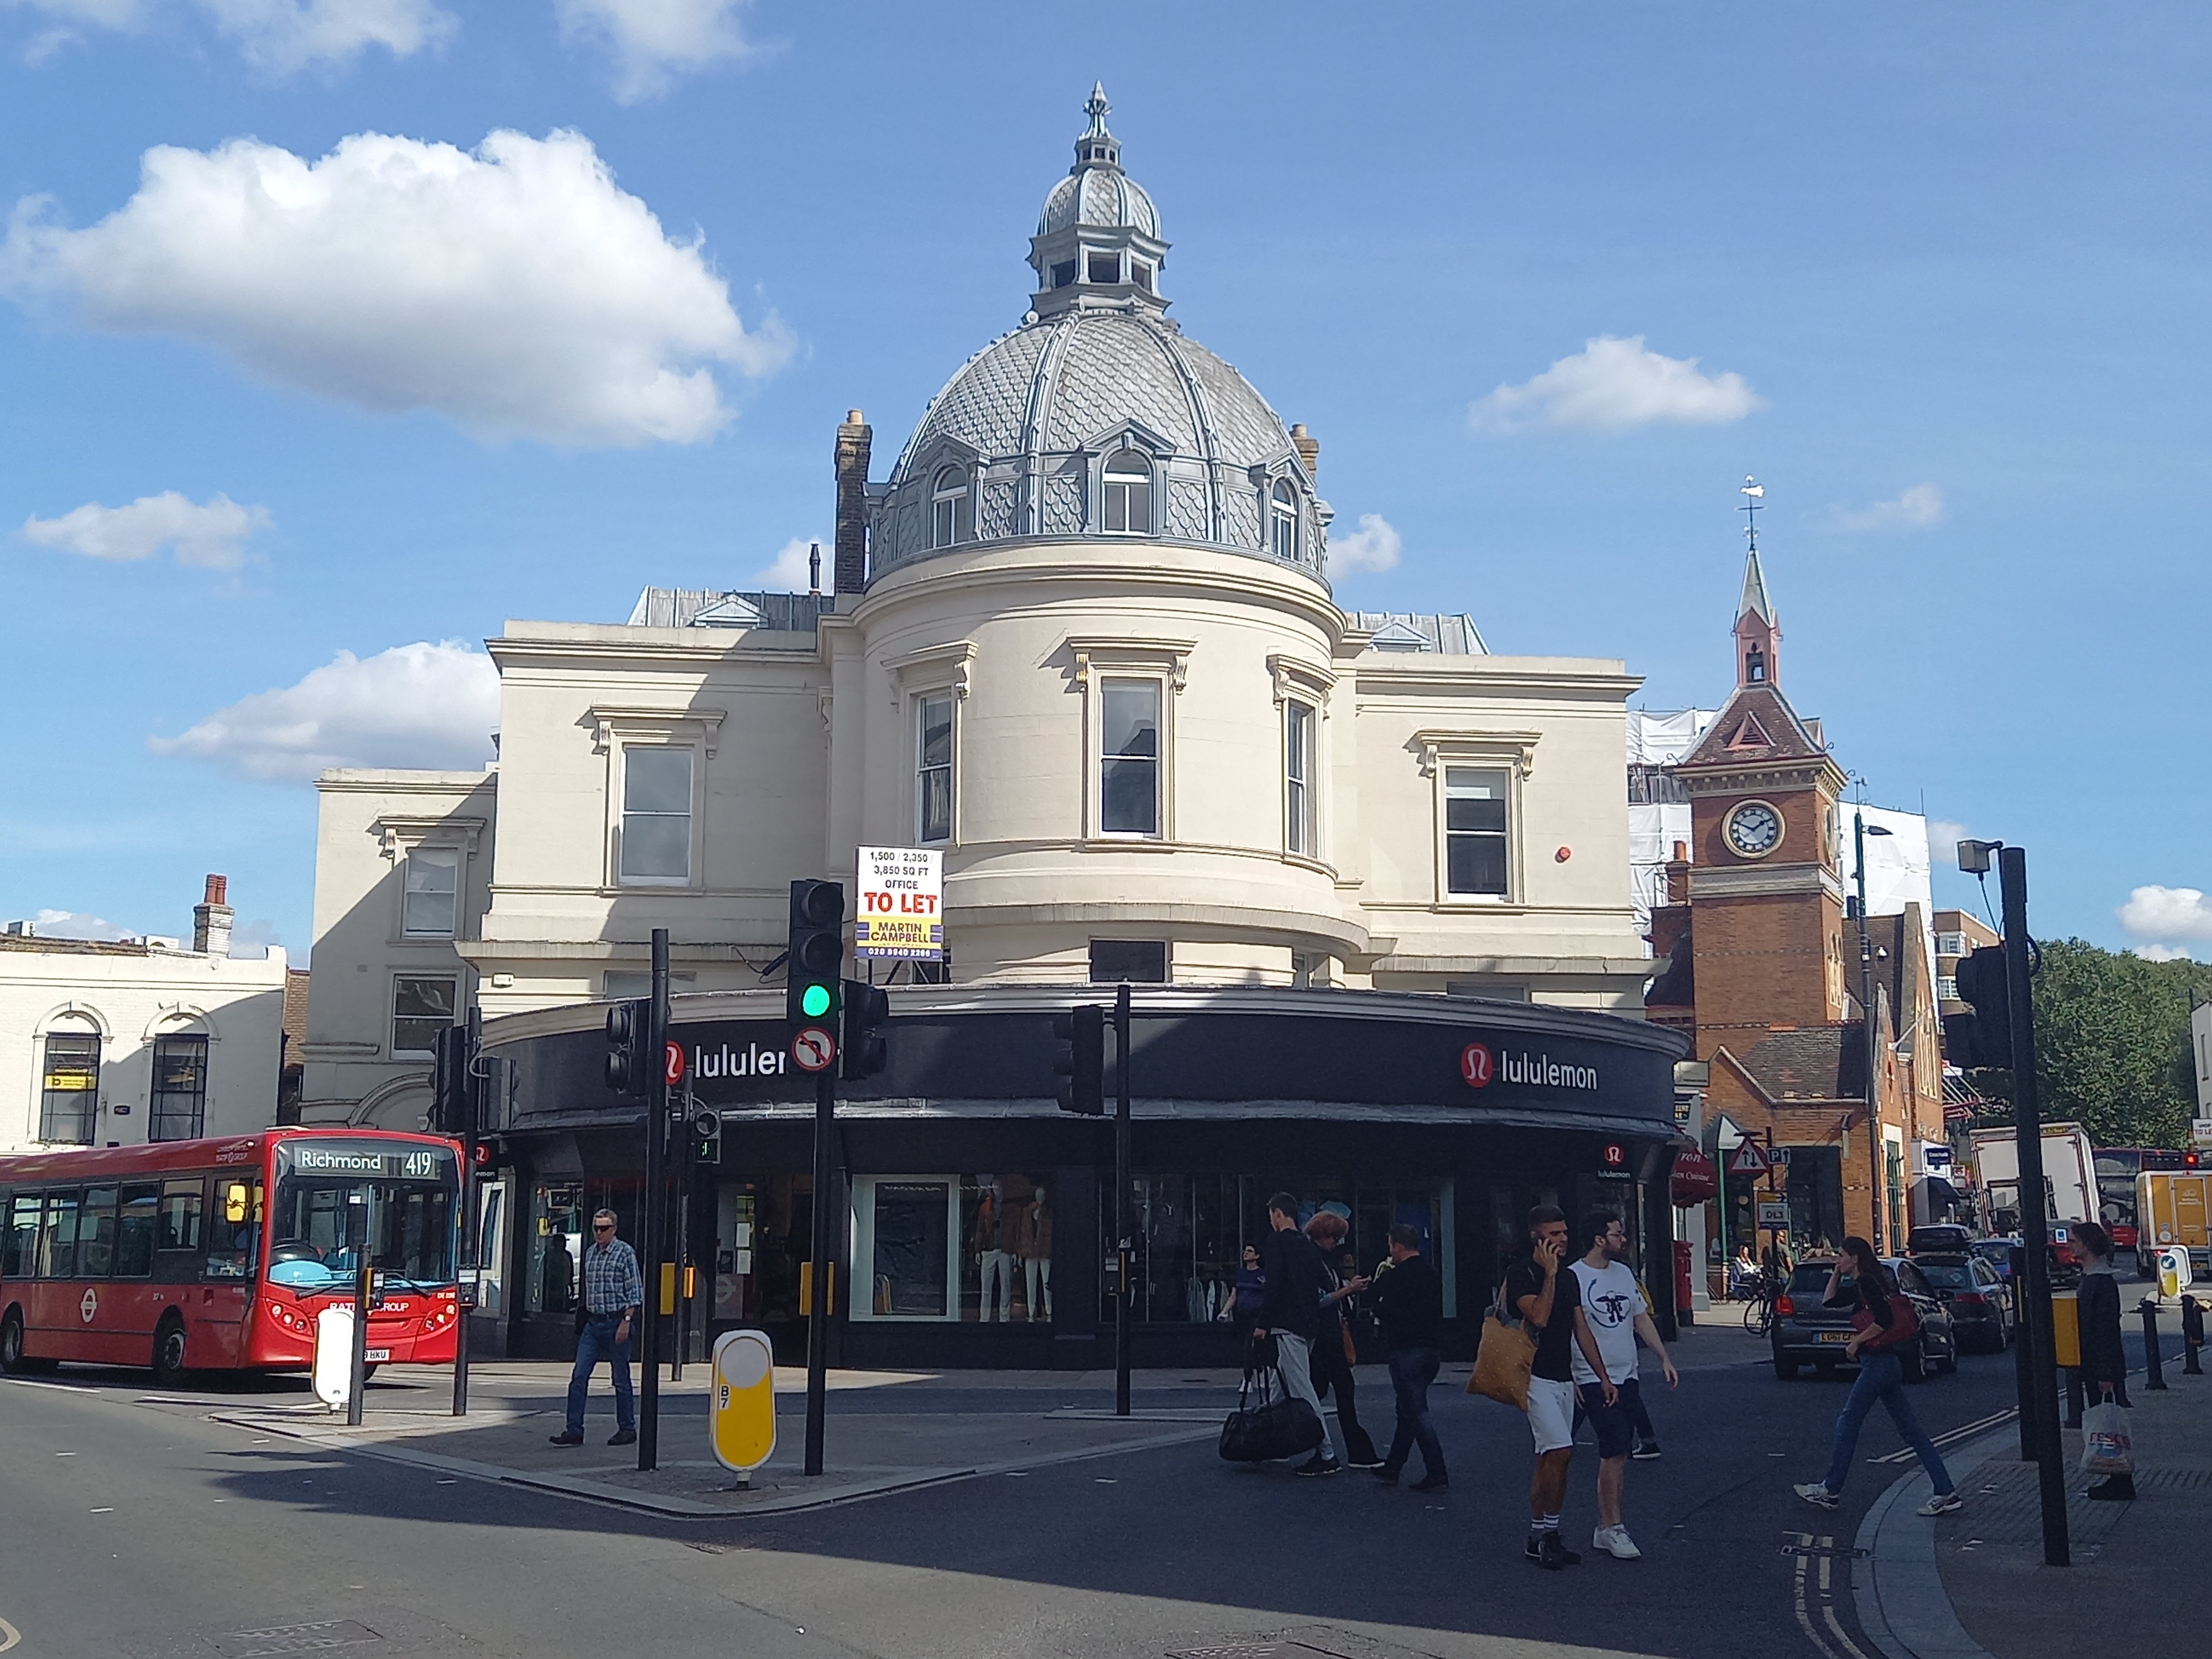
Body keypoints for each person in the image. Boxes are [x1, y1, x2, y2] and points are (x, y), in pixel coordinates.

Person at [1793, 1236, 1961, 1515]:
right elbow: (1829, 1301)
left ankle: (1831, 1490)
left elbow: (1885, 1320)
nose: (1838, 1259)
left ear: (1855, 1258)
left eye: (1842, 1255)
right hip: (1887, 1365)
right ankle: (1946, 1491)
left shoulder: (1868, 1283)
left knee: (1849, 1421)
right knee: (1911, 1432)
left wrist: (1857, 1341)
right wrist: (1836, 1271)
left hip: (1879, 1364)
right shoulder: (1863, 1284)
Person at [1569, 1212, 1679, 1560]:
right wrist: (1572, 1376)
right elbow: (1565, 1331)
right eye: (1617, 1234)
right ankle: (1611, 1525)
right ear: (1600, 1240)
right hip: (1592, 1377)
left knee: (1620, 1452)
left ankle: (1608, 1527)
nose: (1623, 1239)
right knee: (1613, 1448)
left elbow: (1639, 1317)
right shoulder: (1574, 1277)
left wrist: (1663, 1356)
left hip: (1627, 1375)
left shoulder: (1624, 1273)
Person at [1504, 1205, 1609, 1569]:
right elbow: (1540, 1316)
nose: (1563, 1240)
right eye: (1555, 1235)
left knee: (1553, 1460)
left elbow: (1581, 1329)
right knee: (1561, 1451)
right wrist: (1548, 1274)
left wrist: (1601, 1376)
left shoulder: (1570, 1279)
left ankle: (1544, 1534)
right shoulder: (1522, 1275)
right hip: (1533, 1378)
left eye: (1565, 1233)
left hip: (1564, 1378)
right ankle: (1544, 1535)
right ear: (1537, 1238)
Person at [1254, 1191, 1336, 1476]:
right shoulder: (1307, 1244)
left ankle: (1327, 1452)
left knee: (1302, 1388)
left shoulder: (1277, 1243)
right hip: (1310, 1323)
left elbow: (1273, 1286)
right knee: (1280, 1386)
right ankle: (1269, 1443)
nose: (1271, 1221)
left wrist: (1263, 1323)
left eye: (1272, 1216)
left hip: (1286, 1325)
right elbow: (1325, 1281)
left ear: (1278, 1214)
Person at [550, 1208, 641, 1447]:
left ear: (614, 1229)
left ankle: (627, 1428)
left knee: (620, 1379)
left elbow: (635, 1292)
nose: (599, 1234)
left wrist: (627, 1321)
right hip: (593, 1322)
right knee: (579, 1376)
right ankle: (574, 1430)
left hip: (616, 1321)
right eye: (596, 1229)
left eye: (604, 1229)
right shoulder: (590, 1253)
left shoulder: (625, 1253)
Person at [1369, 1222, 1447, 1491]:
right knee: (1407, 1411)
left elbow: (1380, 1307)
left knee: (1416, 1412)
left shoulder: (1395, 1276)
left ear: (1398, 1247)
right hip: (1431, 1349)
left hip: (1405, 1350)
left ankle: (1437, 1471)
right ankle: (1393, 1466)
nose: (1390, 1252)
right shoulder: (1432, 1273)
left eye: (1391, 1246)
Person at [1303, 1212, 1381, 1470]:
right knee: (1328, 1392)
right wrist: (1349, 1289)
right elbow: (1318, 1300)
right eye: (1334, 1237)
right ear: (1322, 1235)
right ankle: (1346, 1451)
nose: (1337, 1243)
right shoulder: (1313, 1260)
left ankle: (1345, 1451)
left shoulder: (1327, 1260)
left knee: (1329, 1392)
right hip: (1324, 1336)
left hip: (1332, 1334)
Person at [2073, 1220, 2133, 1501]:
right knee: (2106, 1423)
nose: (2070, 1244)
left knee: (2109, 1424)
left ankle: (2121, 1480)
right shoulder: (2089, 1277)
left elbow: (2107, 1329)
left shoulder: (2102, 1282)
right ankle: (2116, 1478)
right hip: (2094, 1363)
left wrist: (2107, 1371)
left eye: (2074, 1241)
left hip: (2103, 1365)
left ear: (2087, 1245)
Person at [1227, 1243, 1266, 1355]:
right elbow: (1234, 1295)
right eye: (1245, 1251)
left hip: (1257, 1315)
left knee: (1253, 1341)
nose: (1246, 1253)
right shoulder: (1240, 1274)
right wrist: (1225, 1311)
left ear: (1257, 1256)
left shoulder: (1263, 1274)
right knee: (1243, 1342)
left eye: (1249, 1251)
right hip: (1242, 1315)